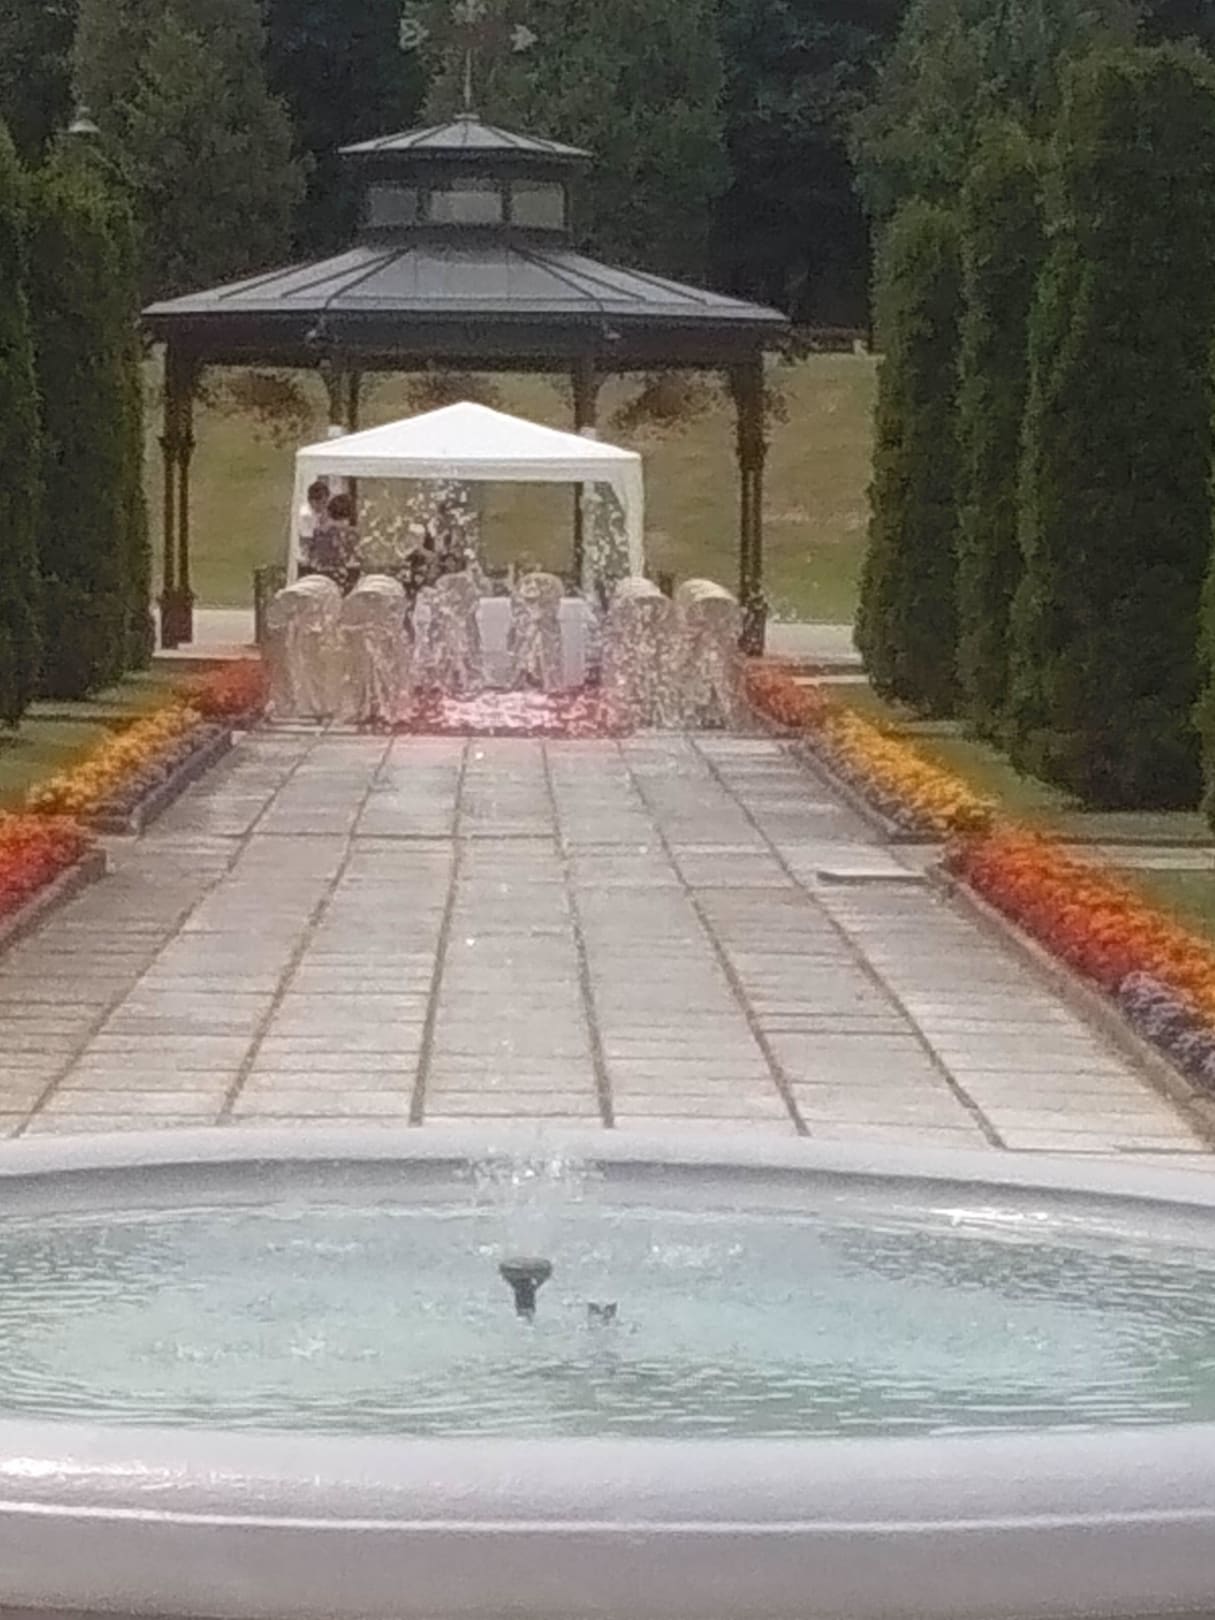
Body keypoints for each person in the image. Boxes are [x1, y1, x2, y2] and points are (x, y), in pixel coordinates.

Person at [306, 492, 359, 589]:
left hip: (317, 577)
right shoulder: (345, 533)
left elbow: (311, 556)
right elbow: (349, 558)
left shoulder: (318, 532)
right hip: (337, 578)